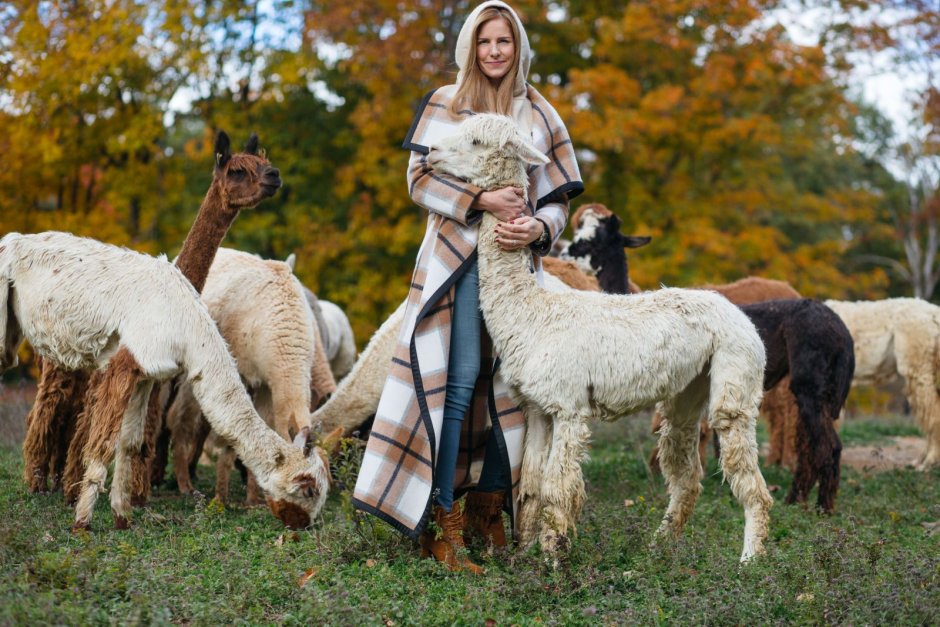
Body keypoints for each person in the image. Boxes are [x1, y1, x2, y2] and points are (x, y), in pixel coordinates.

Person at [352, 0, 583, 573]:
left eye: (504, 41)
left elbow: (556, 200)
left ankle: (489, 508)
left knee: (512, 386)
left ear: (519, 46)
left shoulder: (540, 113)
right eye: (485, 42)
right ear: (471, 49)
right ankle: (441, 521)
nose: (495, 51)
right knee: (454, 386)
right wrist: (480, 201)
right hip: (455, 262)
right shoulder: (445, 103)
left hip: (515, 271)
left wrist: (538, 226)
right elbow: (418, 180)